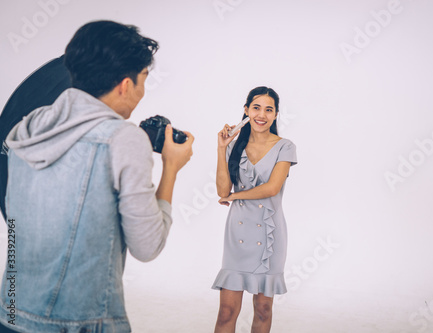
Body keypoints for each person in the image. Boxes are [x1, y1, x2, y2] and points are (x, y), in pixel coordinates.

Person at [0, 20, 194, 333]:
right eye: (143, 80)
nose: (142, 92)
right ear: (125, 84)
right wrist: (171, 167)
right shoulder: (123, 139)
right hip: (80, 324)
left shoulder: (27, 128)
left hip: (10, 313)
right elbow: (148, 246)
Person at [212, 87, 297, 333]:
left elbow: (271, 188)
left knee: (263, 308)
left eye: (268, 109)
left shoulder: (285, 147)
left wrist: (236, 196)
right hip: (238, 233)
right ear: (246, 110)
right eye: (256, 107)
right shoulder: (233, 146)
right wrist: (221, 148)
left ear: (276, 114)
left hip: (270, 234)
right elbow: (222, 190)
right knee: (227, 311)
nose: (262, 114)